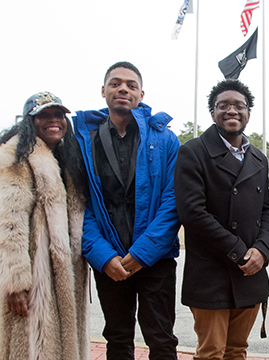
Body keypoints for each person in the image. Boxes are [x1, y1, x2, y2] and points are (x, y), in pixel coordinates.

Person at [73, 61, 181, 359]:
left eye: (131, 85)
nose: (123, 88)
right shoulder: (83, 142)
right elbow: (78, 204)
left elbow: (173, 202)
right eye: (116, 83)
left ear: (141, 93)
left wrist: (144, 252)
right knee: (117, 339)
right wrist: (103, 256)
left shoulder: (165, 139)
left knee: (161, 339)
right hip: (109, 260)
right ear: (104, 90)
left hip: (155, 259)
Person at [174, 79, 269, 360]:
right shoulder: (193, 151)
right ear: (213, 113)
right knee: (211, 352)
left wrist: (264, 251)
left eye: (239, 106)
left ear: (248, 113)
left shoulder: (258, 157)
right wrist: (240, 251)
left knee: (237, 350)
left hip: (251, 272)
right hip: (211, 272)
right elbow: (192, 213)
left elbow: (268, 210)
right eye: (223, 105)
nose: (232, 110)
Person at [0, 92, 89, 359]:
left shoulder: (66, 157)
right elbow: (9, 223)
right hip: (34, 273)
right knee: (30, 345)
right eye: (44, 115)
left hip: (65, 274)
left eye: (59, 115)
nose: (54, 121)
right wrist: (16, 283)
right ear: (30, 121)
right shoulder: (15, 158)